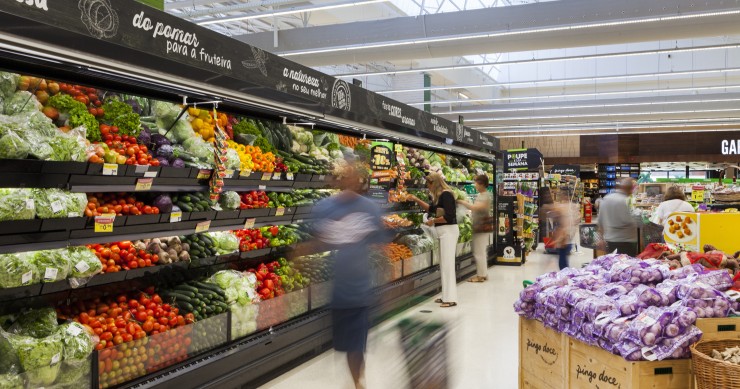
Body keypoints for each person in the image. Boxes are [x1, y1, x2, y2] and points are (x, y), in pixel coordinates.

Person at [292, 160, 388, 389]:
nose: (349, 180)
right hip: (338, 291)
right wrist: (300, 252)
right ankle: (356, 381)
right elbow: (319, 239)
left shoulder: (369, 208)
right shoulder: (325, 207)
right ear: (337, 181)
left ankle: (358, 383)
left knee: (356, 345)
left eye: (353, 176)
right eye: (344, 177)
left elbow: (381, 246)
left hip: (360, 289)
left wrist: (386, 283)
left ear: (359, 181)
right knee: (345, 345)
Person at [409, 172, 459, 308]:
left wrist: (433, 221)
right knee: (444, 265)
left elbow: (449, 216)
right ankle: (446, 296)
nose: (427, 187)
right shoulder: (439, 196)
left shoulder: (446, 194)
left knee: (448, 265)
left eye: (428, 184)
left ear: (434, 183)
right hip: (443, 233)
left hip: (448, 232)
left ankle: (450, 298)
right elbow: (431, 209)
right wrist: (416, 199)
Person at [457, 174, 493, 282]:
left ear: (481, 184)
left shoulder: (486, 195)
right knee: (481, 251)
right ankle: (484, 273)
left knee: (479, 252)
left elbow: (477, 207)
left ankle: (480, 276)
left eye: (476, 183)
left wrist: (462, 202)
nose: (475, 185)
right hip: (479, 226)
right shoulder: (481, 194)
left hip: (481, 227)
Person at [597, 178, 638, 256]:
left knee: (613, 264)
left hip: (610, 240)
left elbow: (600, 221)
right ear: (629, 189)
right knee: (627, 266)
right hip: (626, 241)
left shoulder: (606, 198)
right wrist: (639, 222)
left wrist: (601, 239)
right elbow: (628, 221)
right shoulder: (625, 200)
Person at [550, 190, 578, 270]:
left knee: (562, 261)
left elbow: (564, 224)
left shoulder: (564, 208)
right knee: (563, 258)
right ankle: (565, 274)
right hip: (568, 234)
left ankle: (565, 275)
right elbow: (577, 219)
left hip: (565, 235)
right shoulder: (572, 206)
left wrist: (562, 238)